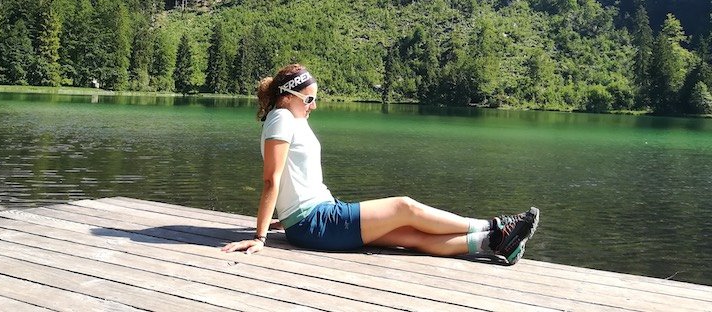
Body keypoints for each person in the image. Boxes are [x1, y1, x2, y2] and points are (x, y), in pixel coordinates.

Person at [222, 63, 539, 263]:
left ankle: (495, 244)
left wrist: (286, 217)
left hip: (313, 219)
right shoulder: (280, 117)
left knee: (408, 234)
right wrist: (260, 236)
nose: (314, 105)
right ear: (287, 96)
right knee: (405, 208)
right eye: (309, 99)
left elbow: (293, 179)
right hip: (316, 222)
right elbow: (271, 179)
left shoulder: (290, 117)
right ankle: (495, 225)